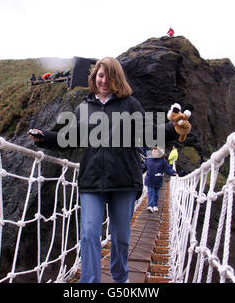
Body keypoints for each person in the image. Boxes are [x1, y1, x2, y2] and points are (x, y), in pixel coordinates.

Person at [28, 57, 178, 283]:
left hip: (124, 180)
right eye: (100, 75)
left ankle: (120, 279)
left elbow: (150, 134)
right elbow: (69, 138)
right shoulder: (83, 108)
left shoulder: (131, 105)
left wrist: (174, 128)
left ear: (117, 78)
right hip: (92, 180)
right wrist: (44, 137)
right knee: (89, 234)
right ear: (94, 77)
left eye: (109, 75)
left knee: (121, 238)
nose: (104, 80)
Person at [143, 146, 177, 213]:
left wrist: (173, 173)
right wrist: (138, 169)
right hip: (149, 179)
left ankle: (155, 205)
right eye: (153, 151)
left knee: (156, 194)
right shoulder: (148, 159)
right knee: (150, 192)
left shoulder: (163, 161)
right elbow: (144, 168)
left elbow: (168, 169)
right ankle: (150, 206)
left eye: (155, 151)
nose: (153, 153)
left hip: (158, 180)